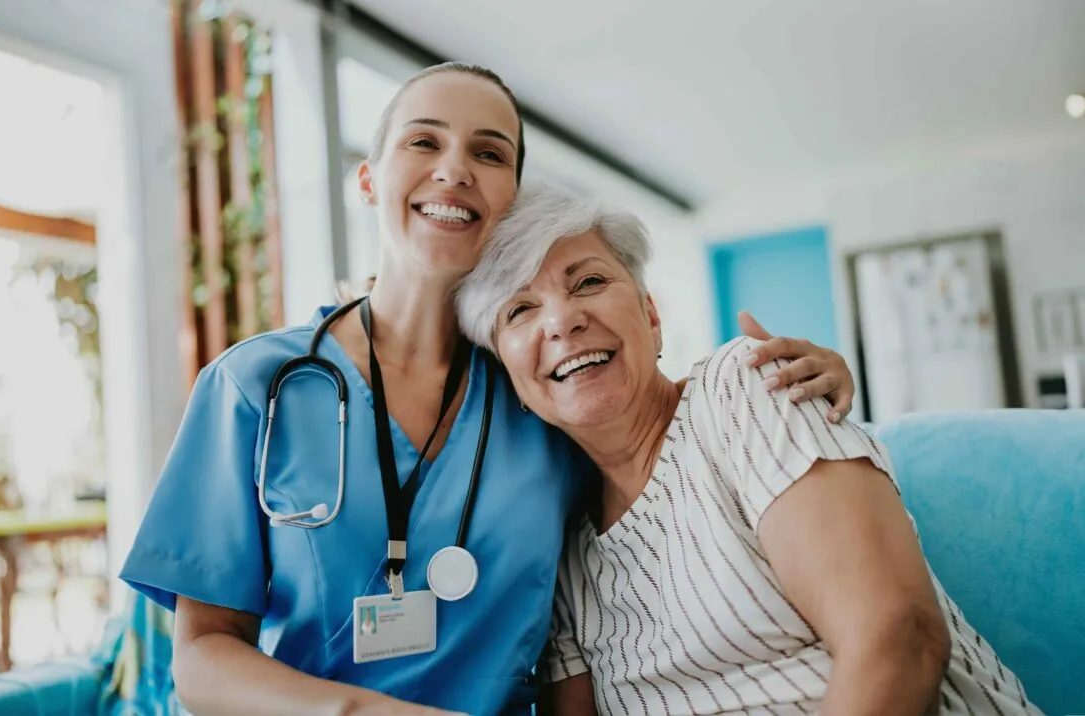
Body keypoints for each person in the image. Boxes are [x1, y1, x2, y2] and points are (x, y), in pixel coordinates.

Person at [119, 63, 857, 716]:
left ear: (510, 199)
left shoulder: (539, 388)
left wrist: (783, 380)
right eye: (423, 141)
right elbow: (203, 658)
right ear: (369, 179)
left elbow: (660, 427)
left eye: (488, 152)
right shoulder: (256, 387)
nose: (454, 168)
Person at [455, 184, 1041, 716]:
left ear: (651, 317)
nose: (563, 321)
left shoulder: (741, 389)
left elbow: (899, 639)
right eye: (520, 309)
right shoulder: (559, 547)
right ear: (508, 377)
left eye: (588, 282)